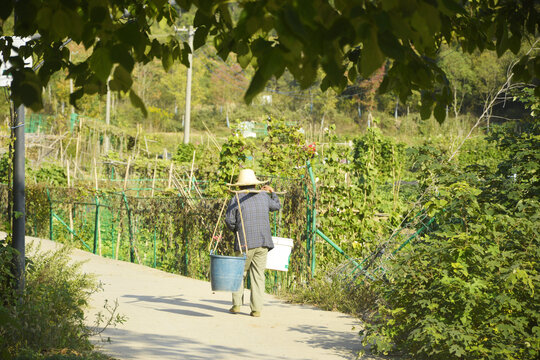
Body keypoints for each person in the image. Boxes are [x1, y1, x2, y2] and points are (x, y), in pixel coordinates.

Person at [225, 169, 281, 317]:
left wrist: (236, 230)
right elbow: (276, 206)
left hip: (244, 243)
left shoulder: (235, 199)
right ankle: (256, 309)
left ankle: (237, 305)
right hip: (263, 242)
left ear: (239, 185)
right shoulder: (263, 196)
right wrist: (272, 192)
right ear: (255, 184)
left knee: (238, 273)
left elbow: (229, 221)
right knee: (258, 276)